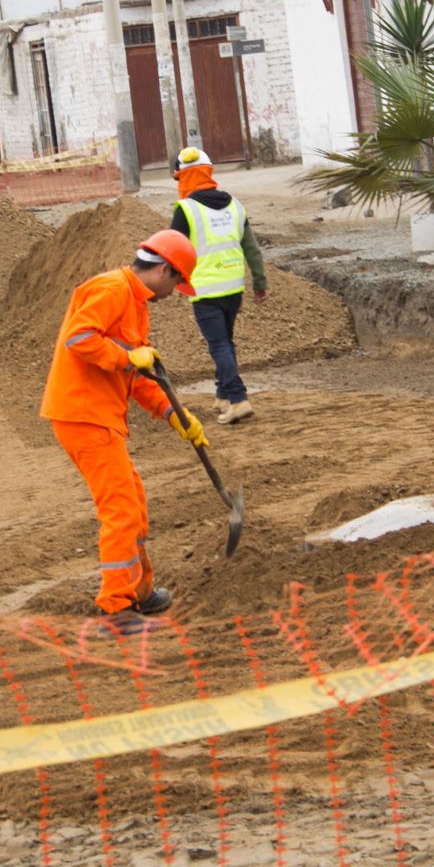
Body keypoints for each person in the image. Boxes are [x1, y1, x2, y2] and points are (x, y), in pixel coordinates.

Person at [40, 229, 209, 628]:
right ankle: (115, 606)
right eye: (177, 283)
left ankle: (140, 591)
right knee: (120, 509)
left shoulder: (136, 303)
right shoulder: (113, 288)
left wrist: (175, 415)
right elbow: (79, 338)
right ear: (165, 270)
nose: (175, 293)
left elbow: (139, 374)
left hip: (99, 416)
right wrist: (126, 355)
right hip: (83, 415)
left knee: (133, 499)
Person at [166, 147, 269, 425]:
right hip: (234, 289)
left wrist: (169, 282)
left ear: (182, 178)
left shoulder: (186, 209)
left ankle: (238, 399)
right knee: (226, 341)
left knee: (219, 344)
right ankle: (223, 395)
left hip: (205, 290)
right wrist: (260, 282)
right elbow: (252, 249)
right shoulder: (235, 205)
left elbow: (173, 249)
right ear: (209, 173)